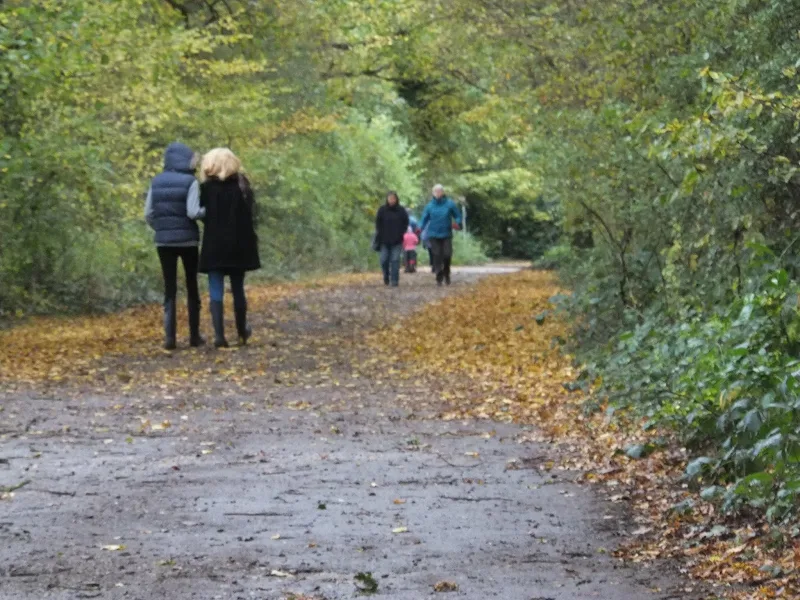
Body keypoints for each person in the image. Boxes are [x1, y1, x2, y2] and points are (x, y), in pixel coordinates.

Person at [198, 148, 261, 348]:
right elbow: (251, 212)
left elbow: (202, 213)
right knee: (238, 288)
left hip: (214, 244)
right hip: (238, 244)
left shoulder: (206, 189)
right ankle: (242, 331)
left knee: (215, 288)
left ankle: (219, 335)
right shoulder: (242, 186)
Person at [145, 142, 205, 350]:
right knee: (191, 286)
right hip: (188, 240)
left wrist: (161, 228)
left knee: (169, 288)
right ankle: (194, 336)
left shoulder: (156, 181)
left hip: (163, 242)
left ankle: (169, 338)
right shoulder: (191, 181)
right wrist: (208, 213)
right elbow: (192, 212)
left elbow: (148, 214)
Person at [419, 184, 462, 285]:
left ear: (443, 192)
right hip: (433, 234)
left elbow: (457, 215)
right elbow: (424, 219)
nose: (438, 193)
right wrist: (419, 229)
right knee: (437, 255)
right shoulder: (429, 206)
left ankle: (446, 272)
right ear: (433, 193)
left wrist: (458, 223)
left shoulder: (450, 204)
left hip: (446, 233)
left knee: (447, 254)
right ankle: (439, 274)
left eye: (439, 191)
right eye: (436, 192)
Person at [374, 191, 409, 286]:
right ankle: (386, 275)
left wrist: (402, 232)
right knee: (384, 260)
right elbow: (378, 223)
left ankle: (394, 280)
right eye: (390, 198)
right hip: (384, 240)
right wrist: (379, 234)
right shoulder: (382, 210)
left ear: (396, 199)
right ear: (387, 199)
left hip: (397, 240)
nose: (391, 200)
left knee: (395, 260)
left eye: (393, 198)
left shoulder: (401, 210)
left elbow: (406, 222)